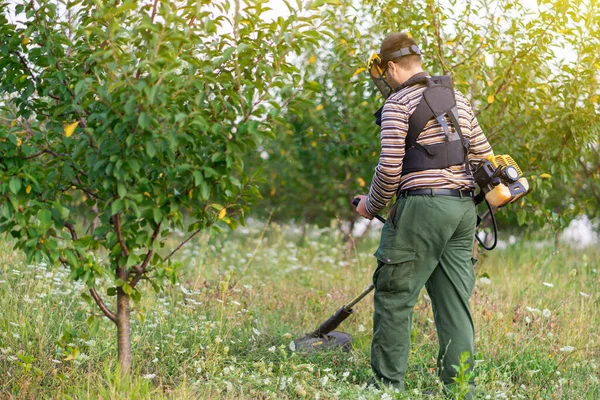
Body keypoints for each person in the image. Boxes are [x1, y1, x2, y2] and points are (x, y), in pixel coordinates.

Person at [354, 32, 494, 397]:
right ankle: (460, 389)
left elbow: (388, 171)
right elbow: (484, 158)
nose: (384, 80)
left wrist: (370, 206)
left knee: (395, 295)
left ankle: (386, 388)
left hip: (422, 207)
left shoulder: (397, 105)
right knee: (454, 304)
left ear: (393, 67)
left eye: (384, 74)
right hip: (463, 210)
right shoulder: (458, 101)